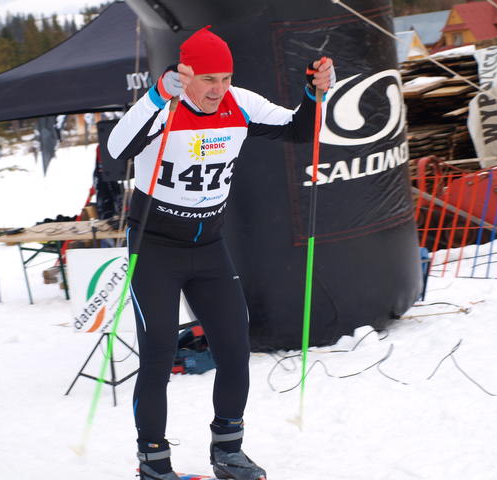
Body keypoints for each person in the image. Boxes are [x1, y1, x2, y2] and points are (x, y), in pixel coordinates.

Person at [107, 26, 335, 480]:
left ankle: (228, 451)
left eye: (226, 78)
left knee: (234, 348)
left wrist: (315, 93)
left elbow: (299, 129)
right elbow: (116, 151)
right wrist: (156, 95)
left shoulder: (239, 103)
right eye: (209, 79)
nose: (218, 90)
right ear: (185, 75)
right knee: (157, 355)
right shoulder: (164, 106)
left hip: (208, 246)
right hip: (154, 248)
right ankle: (153, 461)